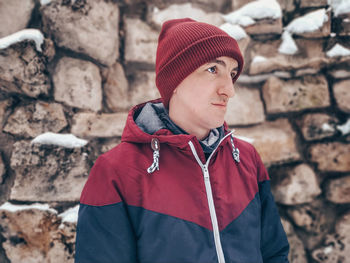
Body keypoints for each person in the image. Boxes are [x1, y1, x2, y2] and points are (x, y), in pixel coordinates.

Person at [75, 18, 290, 263]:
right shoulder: (116, 172)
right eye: (213, 70)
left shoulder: (246, 159)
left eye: (231, 74)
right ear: (175, 80)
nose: (229, 90)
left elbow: (274, 254)